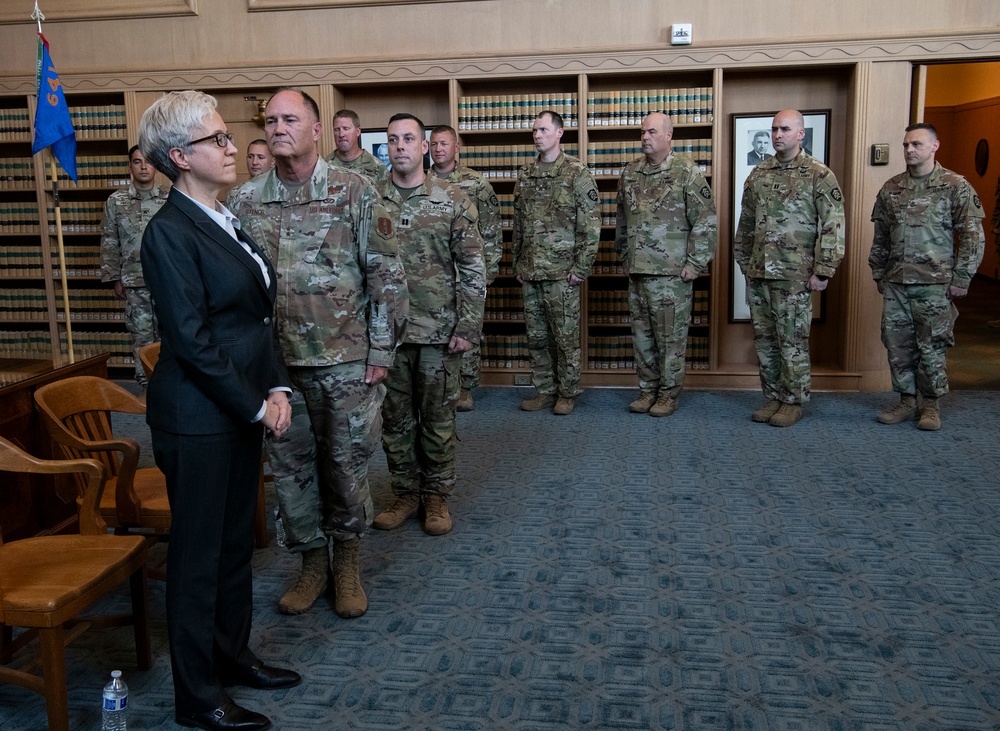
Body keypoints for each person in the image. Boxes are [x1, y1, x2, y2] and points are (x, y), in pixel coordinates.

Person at [139, 90, 299, 731]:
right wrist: (257, 406)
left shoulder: (224, 216)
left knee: (235, 548)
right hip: (199, 417)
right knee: (198, 559)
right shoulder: (167, 232)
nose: (234, 147)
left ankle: (232, 658)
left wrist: (278, 389)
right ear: (179, 156)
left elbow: (258, 321)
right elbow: (193, 342)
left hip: (240, 409)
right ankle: (197, 695)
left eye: (229, 138)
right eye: (217, 140)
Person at [228, 89, 407, 619]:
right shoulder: (244, 201)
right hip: (276, 368)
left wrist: (381, 350)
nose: (279, 127)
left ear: (316, 128)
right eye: (271, 120)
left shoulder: (357, 191)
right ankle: (311, 563)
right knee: (290, 468)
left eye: (290, 119)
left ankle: (347, 562)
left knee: (346, 465)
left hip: (346, 360)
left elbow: (387, 279)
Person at [372, 113, 485, 536]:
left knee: (437, 420)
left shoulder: (452, 198)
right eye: (392, 139)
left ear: (424, 147)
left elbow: (473, 268)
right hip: (386, 335)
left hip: (439, 333)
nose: (399, 146)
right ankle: (405, 493)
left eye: (408, 139)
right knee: (395, 419)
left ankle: (436, 496)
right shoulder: (370, 199)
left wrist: (468, 327)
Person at [869, 122, 985, 430]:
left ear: (934, 146)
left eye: (916, 144)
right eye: (906, 145)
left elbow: (972, 235)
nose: (909, 150)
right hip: (896, 283)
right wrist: (878, 271)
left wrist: (963, 277)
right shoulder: (892, 188)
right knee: (897, 345)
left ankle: (930, 406)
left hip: (935, 284)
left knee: (932, 345)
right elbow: (881, 235)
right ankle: (907, 401)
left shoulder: (954, 185)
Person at [734, 109, 845, 427]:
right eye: (773, 129)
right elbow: (747, 222)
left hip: (795, 275)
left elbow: (833, 224)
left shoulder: (818, 174)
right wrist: (744, 260)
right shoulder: (759, 173)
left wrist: (823, 269)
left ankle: (793, 401)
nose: (777, 134)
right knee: (765, 339)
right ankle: (773, 397)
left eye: (785, 129)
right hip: (760, 273)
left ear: (801, 134)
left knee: (792, 340)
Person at [616, 112, 717, 417]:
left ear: (668, 136)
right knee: (642, 337)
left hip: (672, 274)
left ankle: (668, 395)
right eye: (642, 132)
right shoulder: (631, 172)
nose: (645, 137)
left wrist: (695, 264)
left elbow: (706, 221)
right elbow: (621, 219)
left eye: (651, 132)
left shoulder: (686, 172)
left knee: (670, 338)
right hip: (638, 271)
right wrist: (624, 256)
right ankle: (647, 390)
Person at [512, 109, 600, 415]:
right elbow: (519, 224)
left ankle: (567, 392)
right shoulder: (525, 175)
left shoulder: (577, 174)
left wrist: (581, 268)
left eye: (543, 130)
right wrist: (517, 263)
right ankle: (544, 390)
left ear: (560, 133)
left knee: (565, 338)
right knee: (537, 338)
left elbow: (590, 226)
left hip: (562, 274)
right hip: (531, 270)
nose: (537, 135)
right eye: (535, 131)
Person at [428, 124, 501, 412]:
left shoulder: (476, 183)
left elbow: (492, 229)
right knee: (437, 330)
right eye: (434, 144)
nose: (438, 149)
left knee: (468, 327)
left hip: (468, 272)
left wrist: (490, 269)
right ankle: (440, 385)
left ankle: (466, 388)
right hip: (433, 274)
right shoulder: (421, 181)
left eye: (444, 144)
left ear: (456, 147)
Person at [99, 144, 169, 390]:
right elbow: (109, 239)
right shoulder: (116, 201)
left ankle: (169, 385)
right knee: (141, 336)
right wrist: (114, 277)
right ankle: (147, 386)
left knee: (168, 335)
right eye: (137, 162)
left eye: (147, 162)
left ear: (156, 166)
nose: (143, 167)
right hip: (133, 283)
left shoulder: (169, 197)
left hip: (166, 282)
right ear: (130, 166)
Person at [327, 108, 390, 186]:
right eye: (337, 129)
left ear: (357, 132)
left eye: (346, 128)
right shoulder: (323, 165)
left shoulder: (377, 167)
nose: (341, 134)